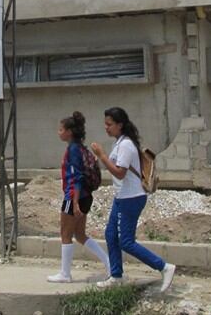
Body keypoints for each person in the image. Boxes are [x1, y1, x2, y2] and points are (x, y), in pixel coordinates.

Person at [90, 107, 175, 293]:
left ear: (120, 125)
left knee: (126, 241)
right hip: (121, 197)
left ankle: (164, 267)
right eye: (105, 124)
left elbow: (120, 173)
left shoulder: (126, 145)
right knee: (111, 235)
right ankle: (116, 276)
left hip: (131, 198)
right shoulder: (119, 143)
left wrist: (102, 155)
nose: (106, 127)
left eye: (109, 124)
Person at [47, 111, 111, 283]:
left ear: (69, 132)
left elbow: (77, 177)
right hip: (85, 196)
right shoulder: (82, 148)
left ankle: (65, 274)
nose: (58, 132)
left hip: (74, 197)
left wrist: (74, 202)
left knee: (65, 234)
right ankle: (110, 264)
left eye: (61, 129)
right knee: (80, 235)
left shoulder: (73, 150)